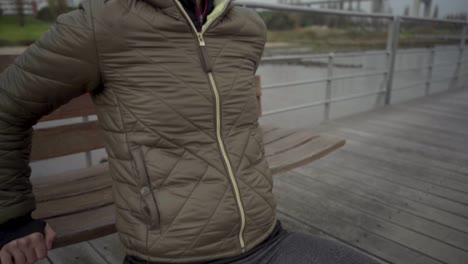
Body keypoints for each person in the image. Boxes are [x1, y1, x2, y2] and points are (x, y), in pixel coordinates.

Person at [0, 0, 380, 263]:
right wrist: (12, 219)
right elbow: (7, 107)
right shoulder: (104, 24)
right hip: (171, 257)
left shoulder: (246, 28)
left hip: (269, 240)